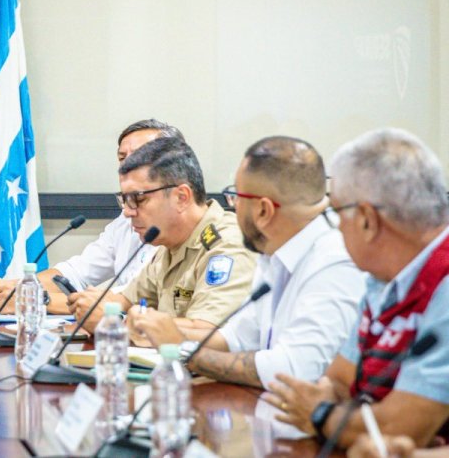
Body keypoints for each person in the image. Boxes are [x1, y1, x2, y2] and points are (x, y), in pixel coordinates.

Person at [125, 136, 364, 388]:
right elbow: (237, 337)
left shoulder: (335, 261)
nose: (233, 207)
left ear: (264, 211)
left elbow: (292, 370)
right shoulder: (272, 250)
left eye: (237, 197)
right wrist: (166, 332)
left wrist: (183, 351)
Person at [267, 128, 449, 451]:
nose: (336, 228)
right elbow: (338, 380)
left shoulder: (443, 286)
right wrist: (328, 404)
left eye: (337, 213)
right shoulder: (383, 278)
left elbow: (403, 430)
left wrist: (321, 415)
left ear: (367, 219)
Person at [0, 119, 183, 314]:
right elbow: (75, 273)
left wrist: (37, 298)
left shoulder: (181, 226)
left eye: (140, 157)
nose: (128, 165)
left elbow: (130, 300)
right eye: (123, 158)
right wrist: (16, 286)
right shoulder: (125, 221)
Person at [71, 136, 256, 335]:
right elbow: (123, 301)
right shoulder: (169, 244)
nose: (127, 211)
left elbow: (205, 333)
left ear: (181, 197)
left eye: (138, 199)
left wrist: (115, 326)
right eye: (125, 199)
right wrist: (92, 303)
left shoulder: (226, 245)